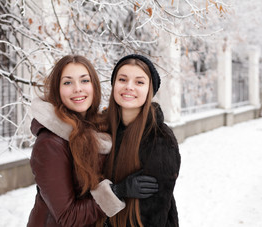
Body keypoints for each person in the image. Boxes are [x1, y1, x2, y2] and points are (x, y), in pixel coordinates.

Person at [27, 55, 158, 227]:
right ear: (57, 89)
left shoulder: (97, 129)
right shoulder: (51, 144)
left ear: (94, 86)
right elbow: (68, 217)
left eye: (84, 80)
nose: (77, 89)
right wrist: (117, 191)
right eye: (67, 82)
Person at [97, 54, 181, 227]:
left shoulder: (160, 139)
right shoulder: (99, 130)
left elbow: (154, 214)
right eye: (122, 79)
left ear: (149, 89)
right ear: (114, 84)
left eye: (139, 82)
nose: (129, 87)